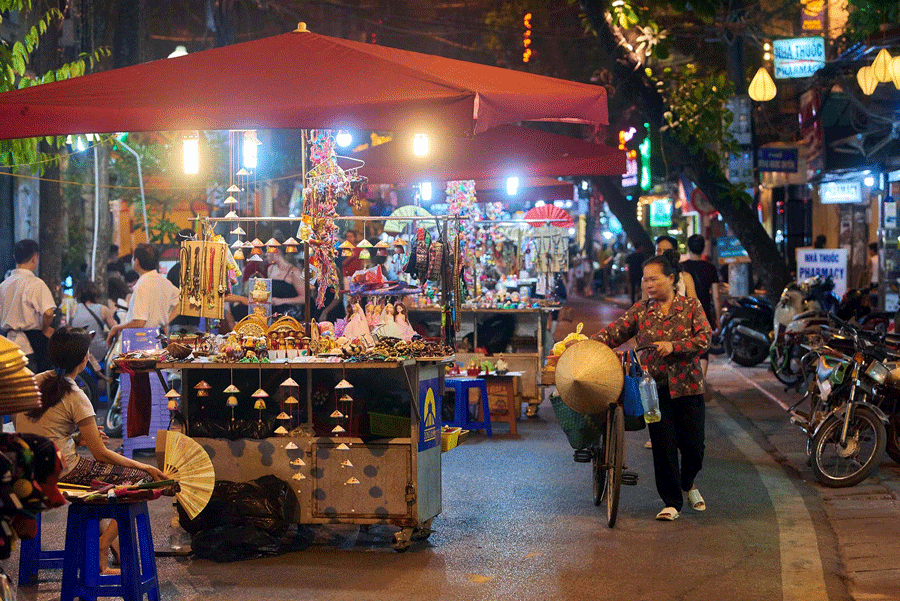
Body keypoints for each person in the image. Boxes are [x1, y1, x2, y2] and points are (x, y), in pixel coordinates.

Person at [15, 327, 165, 573]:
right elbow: (101, 454)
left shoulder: (34, 381)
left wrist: (74, 438)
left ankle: (104, 556)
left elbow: (39, 432)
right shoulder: (76, 395)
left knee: (101, 487)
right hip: (61, 471)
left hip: (30, 470)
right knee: (144, 481)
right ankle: (103, 546)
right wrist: (145, 466)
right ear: (84, 359)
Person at [592, 252, 711, 521]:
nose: (648, 285)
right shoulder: (641, 310)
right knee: (663, 445)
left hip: (689, 387)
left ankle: (687, 481)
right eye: (645, 280)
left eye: (653, 279)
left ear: (671, 279)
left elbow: (705, 339)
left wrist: (675, 347)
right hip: (653, 390)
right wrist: (586, 344)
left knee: (695, 448)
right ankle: (671, 502)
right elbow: (614, 332)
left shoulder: (691, 307)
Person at [0, 240, 57, 372]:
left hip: (7, 345)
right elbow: (48, 313)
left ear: (15, 257)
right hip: (30, 346)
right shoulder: (36, 283)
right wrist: (44, 329)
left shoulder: (4, 285)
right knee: (33, 386)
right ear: (34, 258)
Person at [107, 244, 179, 345]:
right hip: (159, 339)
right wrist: (166, 321)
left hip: (143, 342)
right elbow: (180, 303)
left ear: (136, 262)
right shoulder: (165, 282)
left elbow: (139, 322)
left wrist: (116, 327)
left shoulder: (142, 285)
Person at [680, 234, 721, 375]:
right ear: (703, 248)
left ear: (688, 247)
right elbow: (716, 297)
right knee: (703, 351)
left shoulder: (681, 267)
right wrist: (718, 320)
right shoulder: (710, 268)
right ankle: (701, 382)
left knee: (687, 349)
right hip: (704, 315)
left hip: (685, 315)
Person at [70, 280, 116, 362]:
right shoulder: (103, 309)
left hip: (79, 352)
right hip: (100, 351)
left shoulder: (74, 309)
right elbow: (115, 329)